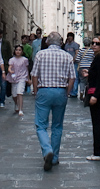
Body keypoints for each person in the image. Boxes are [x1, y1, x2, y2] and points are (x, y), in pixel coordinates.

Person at [31, 31, 75, 171]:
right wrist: (67, 92)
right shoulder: (67, 56)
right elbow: (72, 77)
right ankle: (54, 157)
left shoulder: (40, 54)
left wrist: (36, 90)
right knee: (57, 126)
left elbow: (34, 75)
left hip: (44, 90)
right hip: (60, 91)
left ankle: (47, 149)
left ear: (48, 42)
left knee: (41, 125)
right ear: (61, 43)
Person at [6, 45, 30, 116]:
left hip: (22, 77)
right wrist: (10, 70)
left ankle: (20, 109)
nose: (18, 51)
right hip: (14, 78)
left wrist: (28, 79)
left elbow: (26, 69)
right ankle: (16, 103)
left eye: (19, 50)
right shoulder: (12, 60)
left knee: (20, 92)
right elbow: (9, 67)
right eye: (17, 50)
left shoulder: (25, 60)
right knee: (14, 94)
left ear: (22, 51)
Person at [0, 27, 13, 108]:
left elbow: (9, 55)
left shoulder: (6, 43)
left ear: (1, 35)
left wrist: (9, 66)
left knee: (3, 84)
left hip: (3, 66)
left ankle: (2, 100)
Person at [64, 32, 80, 98]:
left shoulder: (75, 45)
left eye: (70, 37)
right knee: (68, 77)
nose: (69, 38)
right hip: (67, 63)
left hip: (74, 63)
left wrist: (73, 60)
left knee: (74, 77)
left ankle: (74, 92)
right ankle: (70, 91)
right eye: (68, 37)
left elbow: (77, 53)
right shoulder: (66, 45)